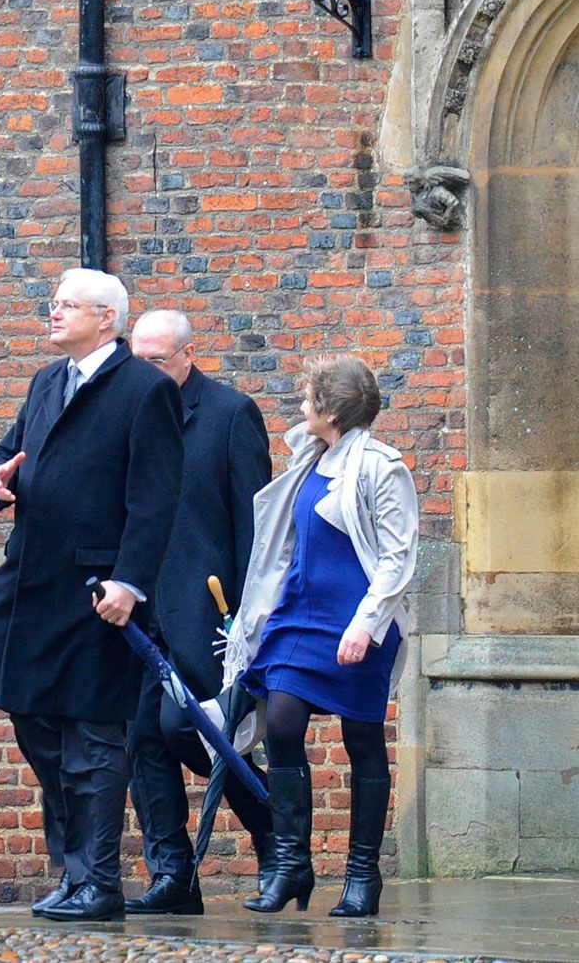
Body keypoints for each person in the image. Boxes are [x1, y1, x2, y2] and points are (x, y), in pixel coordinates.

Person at [0, 269, 183, 923]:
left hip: (96, 590)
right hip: (30, 582)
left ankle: (97, 884)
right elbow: (6, 457)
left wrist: (129, 581)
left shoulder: (144, 389)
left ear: (106, 319)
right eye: (54, 303)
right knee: (31, 718)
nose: (54, 313)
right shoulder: (47, 381)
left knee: (92, 736)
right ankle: (76, 871)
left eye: (67, 306)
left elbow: (155, 498)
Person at [222, 353, 418, 917]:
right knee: (281, 724)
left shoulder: (383, 467)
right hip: (297, 619)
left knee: (362, 739)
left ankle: (362, 875)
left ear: (329, 409)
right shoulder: (311, 456)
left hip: (356, 623)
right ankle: (290, 865)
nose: (300, 406)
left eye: (309, 397)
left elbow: (399, 557)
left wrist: (365, 625)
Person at [126, 309, 274, 916]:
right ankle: (174, 876)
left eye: (156, 361)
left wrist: (246, 619)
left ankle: (278, 842)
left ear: (188, 355)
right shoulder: (126, 414)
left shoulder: (230, 414)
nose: (144, 372)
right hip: (136, 609)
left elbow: (255, 529)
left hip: (210, 615)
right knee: (139, 739)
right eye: (135, 360)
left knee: (195, 731)